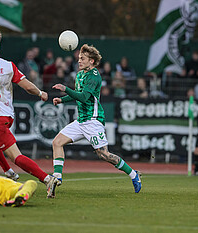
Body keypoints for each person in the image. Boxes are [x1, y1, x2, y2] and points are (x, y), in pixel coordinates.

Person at [0, 28, 59, 196]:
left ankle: (46, 179)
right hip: (6, 115)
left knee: (16, 156)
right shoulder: (8, 66)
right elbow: (28, 86)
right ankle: (8, 172)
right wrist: (41, 93)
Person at [51, 44, 142, 198]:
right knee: (57, 142)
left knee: (104, 155)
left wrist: (65, 89)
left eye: (82, 58)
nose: (79, 61)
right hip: (81, 120)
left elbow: (84, 97)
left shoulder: (94, 76)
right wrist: (62, 100)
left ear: (91, 61)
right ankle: (57, 177)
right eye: (79, 58)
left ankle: (133, 174)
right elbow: (77, 94)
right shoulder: (80, 75)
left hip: (93, 121)